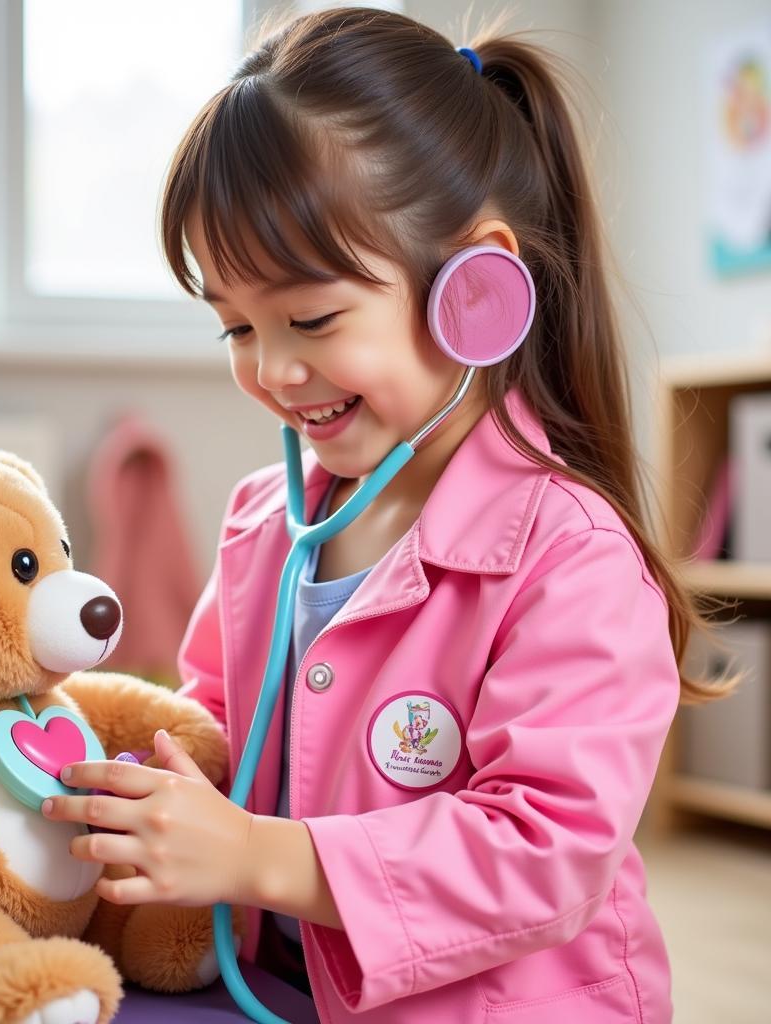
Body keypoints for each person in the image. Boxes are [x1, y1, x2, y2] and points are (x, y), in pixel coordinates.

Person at [42, 8, 734, 1022]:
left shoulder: (570, 555)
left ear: (476, 289)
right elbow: (206, 730)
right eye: (235, 324)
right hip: (279, 990)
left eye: (310, 318)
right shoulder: (261, 523)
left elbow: (544, 849)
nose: (272, 370)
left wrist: (259, 855)